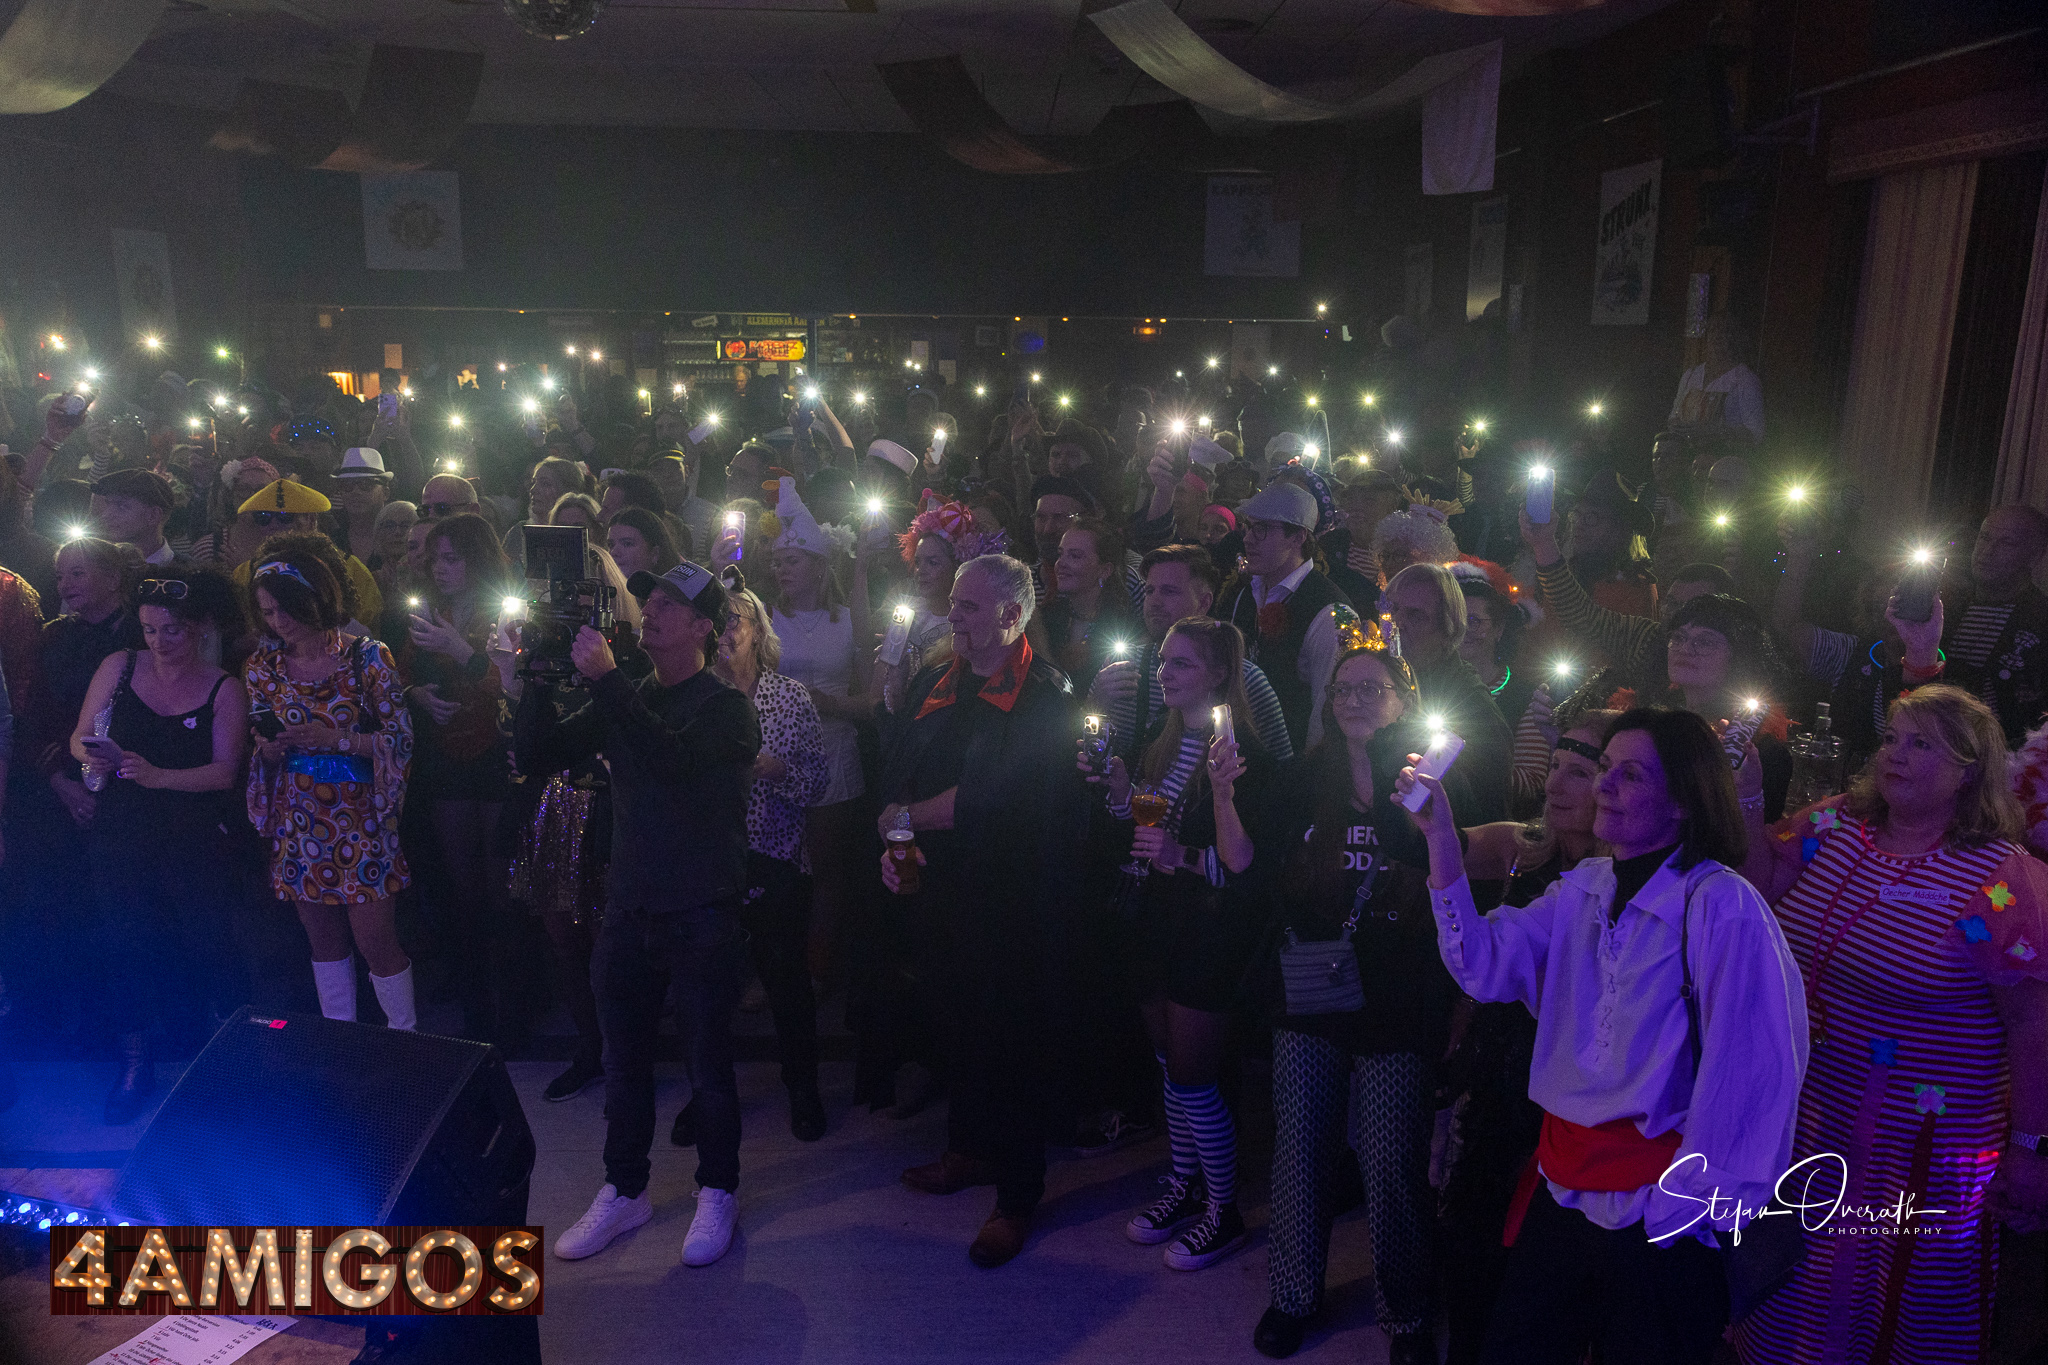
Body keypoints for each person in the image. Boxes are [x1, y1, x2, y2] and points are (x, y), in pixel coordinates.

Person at [1400, 707, 1808, 1365]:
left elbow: (1753, 1070)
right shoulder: (1584, 888)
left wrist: (1691, 1210)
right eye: (1606, 768)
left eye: (1631, 774)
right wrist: (1441, 839)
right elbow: (1484, 963)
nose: (1604, 786)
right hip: (1563, 1181)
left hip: (1659, 1200)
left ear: (1683, 799)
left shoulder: (1720, 905)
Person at [1732, 684, 2048, 1363]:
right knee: (1791, 1298)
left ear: (1969, 770)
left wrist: (2032, 1148)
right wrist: (1750, 796)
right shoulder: (1837, 823)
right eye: (1891, 739)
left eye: (1921, 744)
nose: (1895, 755)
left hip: (1923, 1145)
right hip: (1812, 1118)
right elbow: (1759, 884)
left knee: (1904, 1305)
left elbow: (2033, 1027)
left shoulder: (2001, 878)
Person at [516, 560, 760, 1271]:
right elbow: (537, 753)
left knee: (708, 1066)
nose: (649, 610)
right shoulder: (630, 692)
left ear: (704, 626)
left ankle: (717, 1188)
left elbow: (669, 760)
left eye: (669, 604)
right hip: (630, 906)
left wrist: (606, 681)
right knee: (623, 1064)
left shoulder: (724, 708)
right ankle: (625, 1190)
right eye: (647, 599)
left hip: (702, 909)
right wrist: (534, 678)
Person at [1250, 623, 1452, 1364]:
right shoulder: (1304, 778)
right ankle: (1292, 1295)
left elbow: (1461, 874)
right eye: (1343, 689)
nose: (1355, 700)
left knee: (1391, 1157)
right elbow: (1256, 864)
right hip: (1314, 981)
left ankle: (1406, 1312)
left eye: (1372, 688)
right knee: (1301, 1146)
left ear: (1405, 700)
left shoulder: (1434, 778)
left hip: (1400, 988)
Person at [879, 553, 1081, 1269]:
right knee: (957, 1025)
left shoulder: (1047, 696)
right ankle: (967, 1149)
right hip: (943, 888)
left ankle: (1017, 1195)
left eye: (967, 606)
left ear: (1012, 614)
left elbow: (997, 796)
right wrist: (895, 838)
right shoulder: (938, 679)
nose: (952, 615)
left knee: (1012, 1042)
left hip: (1015, 898)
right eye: (954, 603)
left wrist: (906, 817)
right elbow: (901, 767)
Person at [1435, 709, 1624, 1365]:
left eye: (1579, 771)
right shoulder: (1526, 846)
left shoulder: (1625, 881)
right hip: (1502, 1071)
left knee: (1545, 1270)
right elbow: (1440, 851)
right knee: (1474, 1237)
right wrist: (1424, 804)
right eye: (1554, 767)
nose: (1554, 784)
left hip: (1570, 1089)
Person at [1082, 617, 1266, 1271]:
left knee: (1194, 1075)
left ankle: (1224, 1208)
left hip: (1207, 932)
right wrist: (1119, 792)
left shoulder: (1241, 756)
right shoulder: (1163, 743)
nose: (1164, 673)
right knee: (1169, 1068)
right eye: (1163, 660)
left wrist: (1180, 855)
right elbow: (1145, 827)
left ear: (1218, 674)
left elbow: (1247, 872)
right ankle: (1185, 1185)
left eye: (1182, 663)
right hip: (1156, 923)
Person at [71, 570, 250, 1122]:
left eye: (171, 630)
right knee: (127, 944)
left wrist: (156, 775)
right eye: (149, 629)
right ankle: (136, 1063)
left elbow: (224, 772)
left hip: (192, 837)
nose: (158, 641)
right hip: (121, 832)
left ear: (199, 628)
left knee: (206, 945)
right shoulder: (119, 666)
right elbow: (79, 735)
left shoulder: (224, 687)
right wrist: (93, 755)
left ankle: (222, 1064)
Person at [244, 551, 416, 1031]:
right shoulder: (261, 666)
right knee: (323, 943)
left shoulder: (367, 656)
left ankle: (405, 1039)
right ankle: (339, 1038)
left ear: (317, 599)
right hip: (299, 817)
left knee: (376, 941)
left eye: (287, 608)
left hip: (362, 817)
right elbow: (261, 749)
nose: (279, 621)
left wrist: (335, 739)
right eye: (268, 612)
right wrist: (269, 749)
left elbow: (401, 739)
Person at [698, 582, 830, 1140]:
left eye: (736, 619)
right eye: (717, 619)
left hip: (774, 857)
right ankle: (708, 1095)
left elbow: (818, 782)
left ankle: (802, 1086)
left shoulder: (789, 697)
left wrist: (779, 772)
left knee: (786, 982)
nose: (726, 630)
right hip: (708, 863)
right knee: (707, 988)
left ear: (757, 631)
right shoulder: (694, 695)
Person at [397, 514, 515, 1044]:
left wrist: (460, 650)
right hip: (445, 756)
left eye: (452, 559)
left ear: (478, 560)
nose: (440, 569)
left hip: (497, 752)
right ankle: (477, 1010)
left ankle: (513, 1006)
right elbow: (395, 675)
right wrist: (417, 697)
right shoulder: (430, 612)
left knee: (501, 888)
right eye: (435, 559)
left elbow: (509, 687)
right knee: (463, 890)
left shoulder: (505, 612)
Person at [1085, 544, 1293, 763]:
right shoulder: (1123, 664)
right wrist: (1097, 701)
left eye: (1169, 591)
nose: (1154, 601)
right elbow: (1087, 750)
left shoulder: (1244, 678)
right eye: (1149, 591)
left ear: (1203, 603)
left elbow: (1280, 769)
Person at [1215, 481, 1352, 752]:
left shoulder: (1331, 611)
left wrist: (1306, 772)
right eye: (1248, 527)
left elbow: (1325, 712)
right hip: (1236, 753)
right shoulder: (1243, 591)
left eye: (1262, 529)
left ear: (1298, 537)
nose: (1247, 538)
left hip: (1287, 761)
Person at [1382, 562, 1512, 822]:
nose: (1398, 623)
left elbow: (1486, 809)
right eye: (1393, 610)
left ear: (1448, 630)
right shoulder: (1375, 679)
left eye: (1416, 616)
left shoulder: (1471, 706)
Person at [1933, 505, 2048, 747]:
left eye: (2006, 543)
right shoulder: (1947, 607)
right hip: (1936, 744)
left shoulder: (2040, 620)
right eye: (1984, 537)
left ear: (2035, 554)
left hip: (2003, 757)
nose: (1987, 551)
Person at [879, 495, 1005, 715]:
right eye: (918, 562)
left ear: (958, 567)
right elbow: (879, 697)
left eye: (933, 562)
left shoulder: (972, 624)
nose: (921, 571)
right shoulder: (905, 613)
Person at [229, 479, 384, 631]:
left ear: (310, 520)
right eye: (263, 517)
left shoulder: (349, 568)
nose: (273, 524)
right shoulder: (245, 572)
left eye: (284, 516)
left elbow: (368, 627)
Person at [1037, 517, 1139, 698]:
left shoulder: (1123, 628)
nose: (1061, 564)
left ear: (1105, 570)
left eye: (1075, 556)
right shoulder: (1045, 618)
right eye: (1061, 554)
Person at [1668, 314, 1763, 446]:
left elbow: (1755, 434)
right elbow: (1674, 415)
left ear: (1733, 339)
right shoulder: (1691, 376)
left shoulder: (1745, 380)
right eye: (1713, 331)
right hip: (1687, 454)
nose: (1717, 337)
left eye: (1723, 332)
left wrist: (1717, 432)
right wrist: (1678, 427)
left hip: (1723, 456)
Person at [90, 468, 182, 568]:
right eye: (108, 504)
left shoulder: (184, 573)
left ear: (153, 515)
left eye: (122, 506)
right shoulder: (95, 564)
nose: (106, 515)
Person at [331, 448, 393, 567]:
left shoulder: (400, 536)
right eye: (347, 485)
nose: (356, 491)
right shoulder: (331, 538)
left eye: (366, 484)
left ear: (385, 493)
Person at [605, 505, 679, 584]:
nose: (613, 552)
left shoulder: (672, 591)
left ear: (655, 553)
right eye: (611, 545)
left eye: (627, 544)